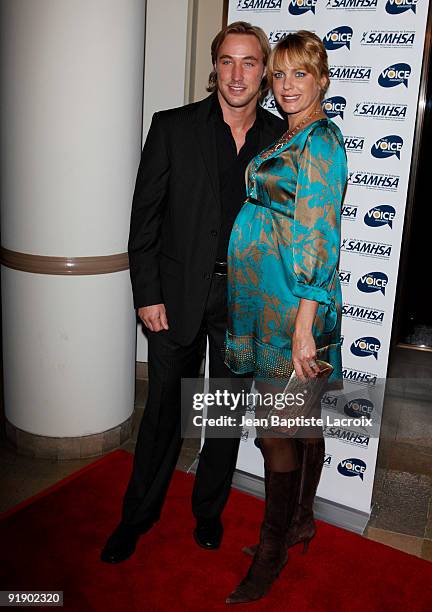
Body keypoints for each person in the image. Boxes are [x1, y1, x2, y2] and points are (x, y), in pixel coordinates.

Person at [100, 22, 285, 564]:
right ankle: (137, 517)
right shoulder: (173, 128)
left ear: (264, 71)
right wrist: (146, 293)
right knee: (163, 412)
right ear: (214, 66)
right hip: (175, 296)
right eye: (227, 61)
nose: (237, 74)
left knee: (224, 415)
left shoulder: (279, 141)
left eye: (249, 62)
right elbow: (145, 222)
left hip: (243, 302)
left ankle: (208, 510)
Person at [224, 31, 347, 604]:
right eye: (279, 74)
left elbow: (318, 237)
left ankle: (271, 553)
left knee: (276, 431)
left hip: (289, 311)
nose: (287, 85)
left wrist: (303, 326)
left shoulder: (319, 142)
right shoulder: (290, 137)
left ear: (323, 80)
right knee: (303, 422)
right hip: (266, 301)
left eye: (301, 73)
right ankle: (300, 522)